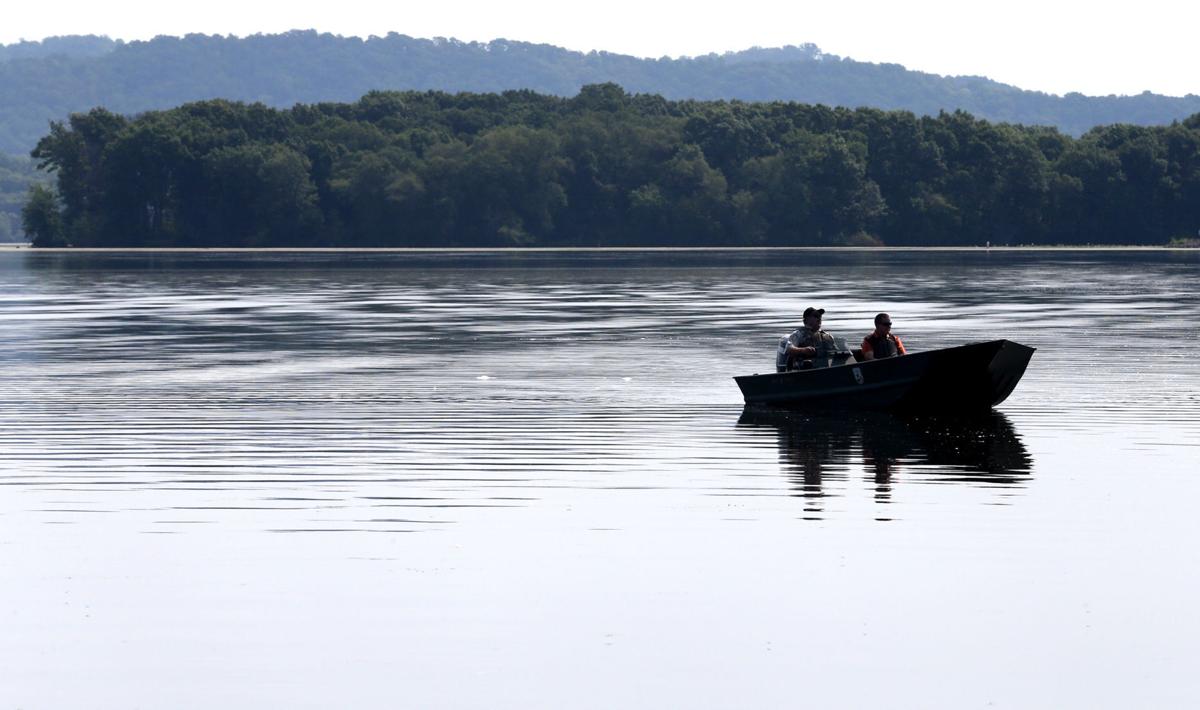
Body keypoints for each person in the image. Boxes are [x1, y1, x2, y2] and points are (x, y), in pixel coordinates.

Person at [776, 307, 839, 372]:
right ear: (806, 320)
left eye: (820, 316)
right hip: (802, 370)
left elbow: (836, 350)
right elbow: (789, 349)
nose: (819, 318)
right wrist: (804, 350)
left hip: (824, 368)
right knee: (808, 363)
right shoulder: (799, 334)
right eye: (815, 316)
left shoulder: (826, 336)